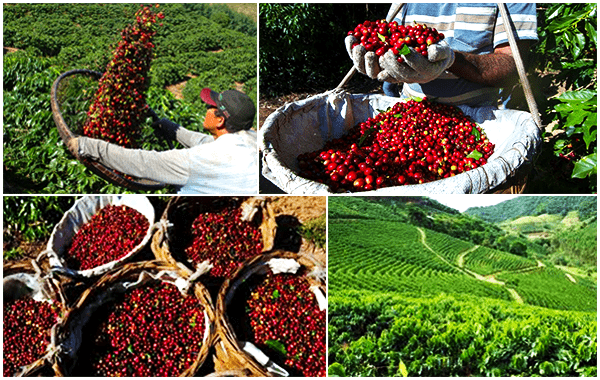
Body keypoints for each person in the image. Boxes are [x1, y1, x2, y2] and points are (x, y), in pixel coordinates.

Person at [346, 3, 538, 108]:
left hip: (480, 119)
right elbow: (389, 44)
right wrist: (383, 68)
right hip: (411, 113)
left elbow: (513, 67)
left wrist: (452, 61)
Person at [68, 88, 258, 194]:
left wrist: (87, 146)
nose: (206, 107)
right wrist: (171, 128)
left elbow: (141, 162)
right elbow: (203, 141)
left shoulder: (196, 160)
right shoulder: (251, 138)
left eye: (210, 106)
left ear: (220, 120)